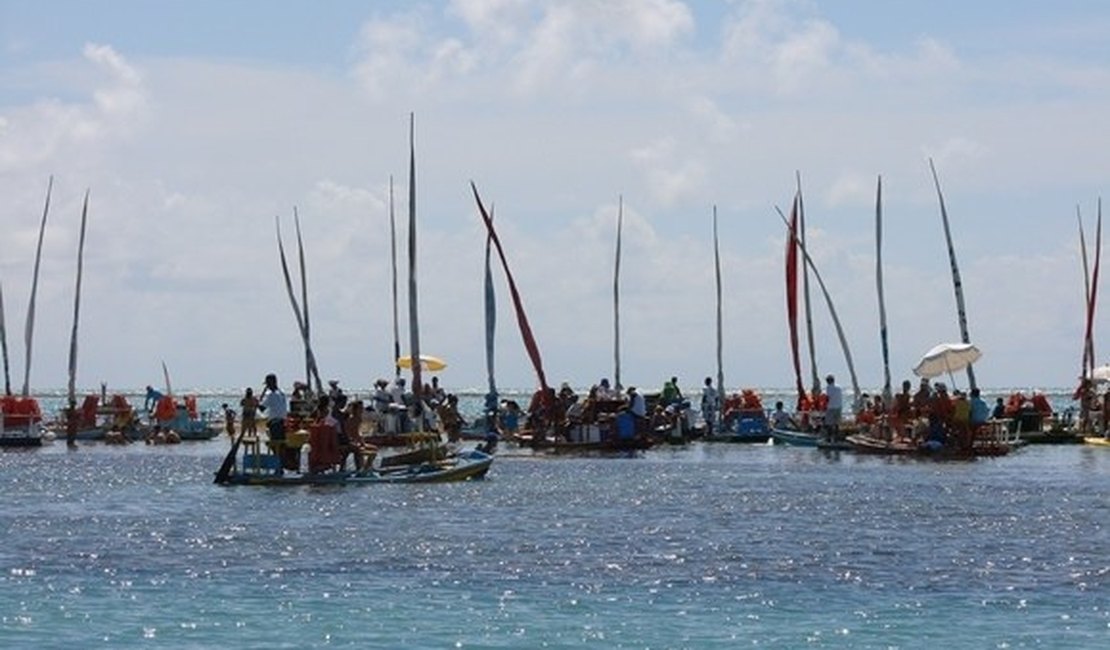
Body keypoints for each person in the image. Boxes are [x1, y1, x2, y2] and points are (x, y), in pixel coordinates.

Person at [258, 373, 290, 472]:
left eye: (267, 383)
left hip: (275, 423)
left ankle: (278, 467)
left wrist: (256, 402)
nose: (267, 386)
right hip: (282, 422)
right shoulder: (281, 393)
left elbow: (262, 408)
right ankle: (280, 466)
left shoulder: (271, 394)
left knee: (275, 445)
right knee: (280, 446)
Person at [824, 374, 843, 440]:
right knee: (837, 423)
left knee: (829, 423)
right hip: (839, 407)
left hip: (831, 407)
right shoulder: (839, 387)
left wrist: (824, 406)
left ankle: (828, 438)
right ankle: (836, 438)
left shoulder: (828, 387)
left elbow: (827, 398)